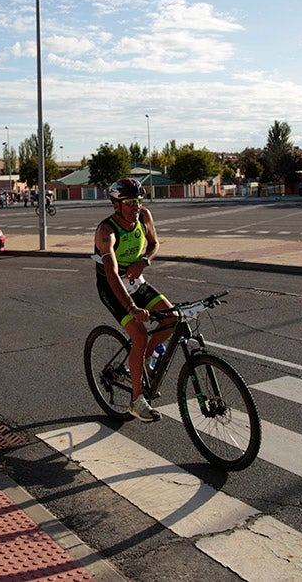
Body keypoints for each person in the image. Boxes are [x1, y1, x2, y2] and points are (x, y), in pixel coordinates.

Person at [93, 178, 176, 422]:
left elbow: (154, 243)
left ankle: (142, 359)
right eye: (130, 203)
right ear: (116, 205)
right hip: (113, 286)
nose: (136, 207)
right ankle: (136, 402)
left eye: (138, 201)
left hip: (134, 280)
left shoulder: (143, 216)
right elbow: (110, 271)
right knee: (139, 335)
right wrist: (132, 307)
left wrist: (145, 260)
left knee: (172, 318)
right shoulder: (106, 231)